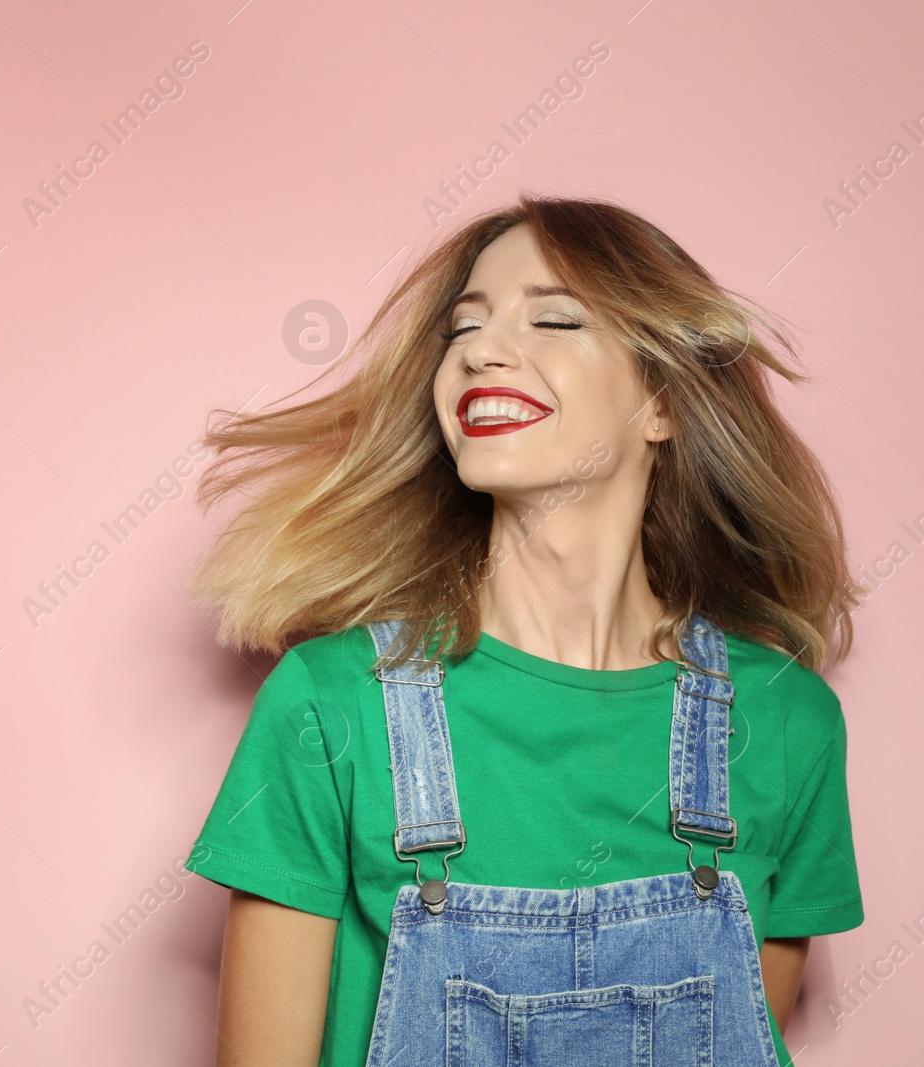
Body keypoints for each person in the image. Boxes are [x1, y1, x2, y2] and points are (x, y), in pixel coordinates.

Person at [183, 193, 866, 1067]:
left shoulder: (785, 722)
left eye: (553, 319)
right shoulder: (328, 705)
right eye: (463, 329)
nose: (481, 353)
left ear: (661, 404)